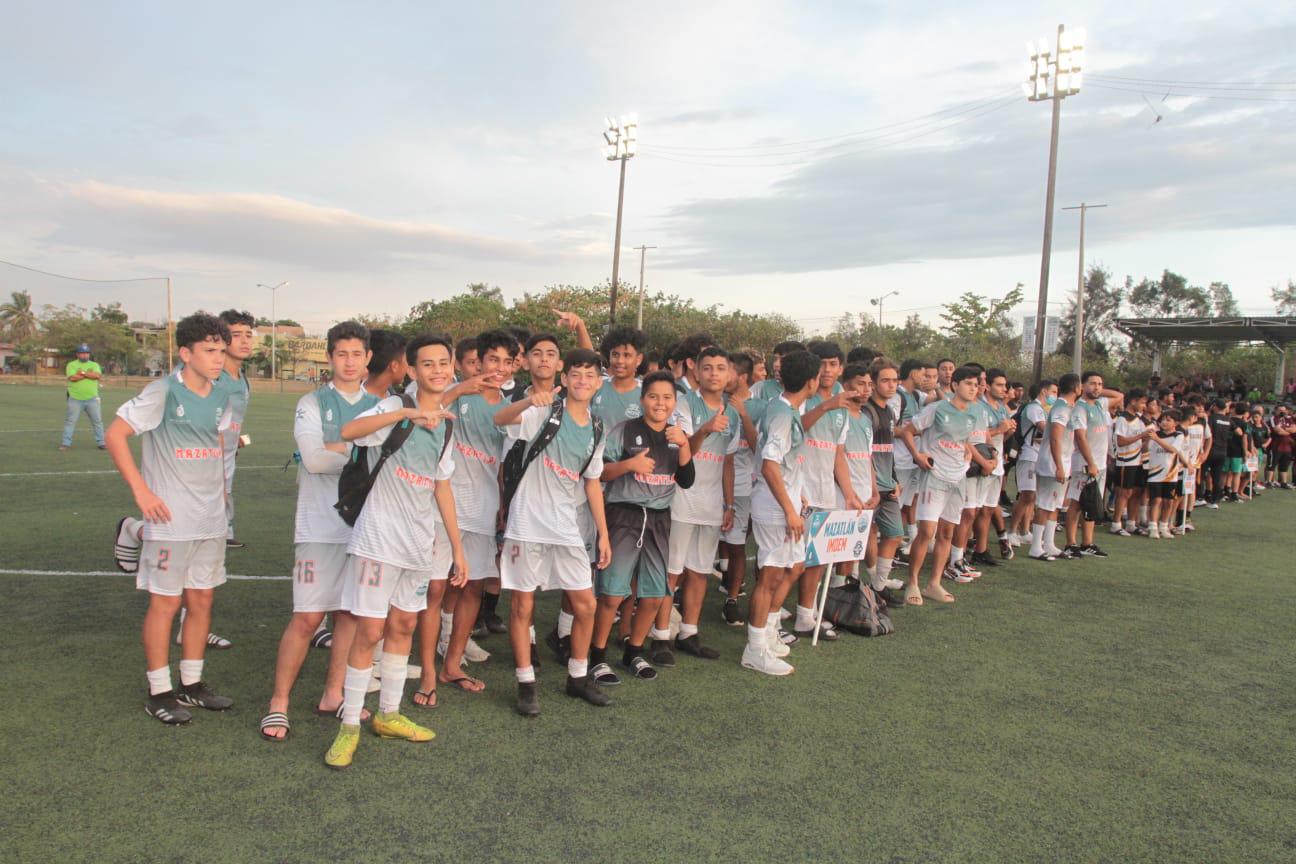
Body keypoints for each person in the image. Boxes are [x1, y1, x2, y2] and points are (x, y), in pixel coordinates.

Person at [324, 333, 468, 769]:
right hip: (378, 537)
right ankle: (349, 725)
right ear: (412, 369)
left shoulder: (446, 422)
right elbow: (348, 431)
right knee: (369, 631)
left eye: (444, 363)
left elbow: (440, 486)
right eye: (428, 364)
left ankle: (388, 713)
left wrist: (457, 549)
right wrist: (406, 411)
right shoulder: (392, 408)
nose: (438, 371)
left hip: (417, 541)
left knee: (404, 623)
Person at [104, 313, 234, 725]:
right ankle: (159, 691)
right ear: (185, 353)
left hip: (210, 518)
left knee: (201, 599)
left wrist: (222, 496)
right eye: (209, 351)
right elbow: (115, 434)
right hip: (170, 519)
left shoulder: (221, 394)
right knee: (165, 603)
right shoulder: (162, 392)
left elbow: (216, 441)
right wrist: (142, 491)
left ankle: (192, 685)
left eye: (221, 350)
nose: (218, 358)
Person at [259, 321, 378, 742]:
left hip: (363, 528)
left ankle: (334, 694)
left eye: (356, 354)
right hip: (317, 525)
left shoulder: (381, 405)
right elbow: (312, 459)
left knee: (348, 615)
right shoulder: (312, 402)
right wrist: (360, 454)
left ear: (368, 359)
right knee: (308, 618)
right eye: (340, 354)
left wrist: (339, 449)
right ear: (329, 358)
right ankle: (278, 704)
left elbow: (381, 462)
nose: (348, 362)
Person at [494, 348, 611, 716]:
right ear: (564, 379)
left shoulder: (596, 426)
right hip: (526, 522)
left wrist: (603, 534)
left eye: (589, 375)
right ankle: (526, 682)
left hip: (566, 524)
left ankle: (577, 677)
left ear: (597, 383)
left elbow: (592, 483)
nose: (581, 381)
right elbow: (500, 418)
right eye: (575, 374)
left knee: (586, 605)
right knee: (522, 604)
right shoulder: (544, 410)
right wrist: (528, 400)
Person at [589, 370, 695, 685]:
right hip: (624, 515)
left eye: (666, 398)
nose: (660, 403)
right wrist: (629, 465)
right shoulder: (624, 431)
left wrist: (686, 446)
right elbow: (600, 474)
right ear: (642, 399)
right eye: (653, 396)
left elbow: (687, 481)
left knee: (654, 595)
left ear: (675, 402)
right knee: (612, 592)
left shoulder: (678, 437)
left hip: (660, 519)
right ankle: (597, 656)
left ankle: (634, 651)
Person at [436, 329, 520, 695]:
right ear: (479, 360)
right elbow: (426, 413)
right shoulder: (457, 394)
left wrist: (502, 503)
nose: (498, 368)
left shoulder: (511, 405)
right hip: (444, 505)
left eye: (506, 362)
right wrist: (456, 391)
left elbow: (503, 462)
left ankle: (451, 664)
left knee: (472, 587)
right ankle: (427, 665)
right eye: (492, 360)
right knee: (434, 586)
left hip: (484, 508)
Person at [743, 349, 819, 675]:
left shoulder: (785, 409)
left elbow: (786, 463)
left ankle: (769, 631)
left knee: (794, 566)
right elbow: (770, 465)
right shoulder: (782, 414)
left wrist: (797, 496)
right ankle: (755, 649)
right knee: (771, 573)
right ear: (812, 381)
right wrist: (789, 509)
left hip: (786, 501)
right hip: (774, 506)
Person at [666, 346, 742, 659]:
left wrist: (729, 504)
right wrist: (705, 429)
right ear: (696, 371)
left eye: (720, 368)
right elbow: (682, 452)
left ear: (729, 374)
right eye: (707, 367)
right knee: (671, 572)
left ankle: (689, 632)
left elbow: (727, 462)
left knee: (699, 571)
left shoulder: (733, 412)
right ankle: (659, 635)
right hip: (682, 499)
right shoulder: (684, 403)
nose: (713, 373)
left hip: (712, 504)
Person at [896, 366, 993, 602]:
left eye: (977, 384)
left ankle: (934, 584)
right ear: (956, 385)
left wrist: (969, 453)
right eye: (969, 383)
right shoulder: (937, 409)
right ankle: (913, 584)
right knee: (926, 531)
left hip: (958, 478)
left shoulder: (973, 414)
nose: (974, 388)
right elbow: (907, 432)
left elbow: (964, 441)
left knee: (947, 532)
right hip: (934, 476)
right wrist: (918, 456)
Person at [795, 341, 860, 639]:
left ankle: (805, 617)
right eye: (822, 363)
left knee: (816, 558)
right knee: (789, 560)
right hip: (796, 490)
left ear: (840, 369)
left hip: (824, 491)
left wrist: (848, 492)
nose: (827, 370)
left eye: (833, 364)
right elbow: (795, 429)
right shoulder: (802, 398)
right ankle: (766, 621)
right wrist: (825, 407)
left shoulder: (842, 406)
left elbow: (838, 454)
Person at [860, 358, 907, 606]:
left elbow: (887, 450)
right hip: (869, 488)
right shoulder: (866, 411)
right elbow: (863, 452)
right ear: (874, 383)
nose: (891, 385)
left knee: (895, 534)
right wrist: (872, 484)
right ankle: (852, 587)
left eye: (894, 380)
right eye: (885, 380)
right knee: (862, 536)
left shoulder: (889, 411)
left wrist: (895, 479)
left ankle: (877, 587)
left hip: (888, 485)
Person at [719, 351, 759, 625]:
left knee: (736, 547)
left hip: (743, 486)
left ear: (742, 377)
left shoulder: (760, 407)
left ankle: (732, 599)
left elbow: (759, 448)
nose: (720, 376)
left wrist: (744, 416)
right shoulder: (715, 401)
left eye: (727, 371)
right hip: (711, 484)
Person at [1028, 373, 1081, 561]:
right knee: (1045, 504)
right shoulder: (1060, 408)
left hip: (1062, 461)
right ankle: (1036, 546)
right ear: (1076, 388)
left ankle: (1049, 544)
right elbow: (1056, 437)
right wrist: (1058, 465)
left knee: (1055, 505)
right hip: (1052, 462)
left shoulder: (1068, 407)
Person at [1061, 371, 1114, 558]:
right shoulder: (1080, 408)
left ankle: (1087, 543)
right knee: (1076, 503)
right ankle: (1070, 543)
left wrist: (1098, 390)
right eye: (1092, 383)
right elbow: (1080, 437)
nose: (1097, 387)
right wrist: (1090, 462)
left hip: (1100, 465)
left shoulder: (1100, 405)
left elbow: (1119, 396)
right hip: (1084, 464)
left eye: (1100, 383)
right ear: (1082, 386)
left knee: (1093, 502)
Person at [215, 310, 256, 548]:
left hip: (228, 449)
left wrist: (236, 436)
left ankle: (224, 531)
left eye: (248, 335)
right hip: (207, 450)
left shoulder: (241, 376)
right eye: (237, 334)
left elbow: (232, 415)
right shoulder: (214, 375)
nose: (244, 341)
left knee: (225, 491)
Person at [1110, 388, 1149, 536]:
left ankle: (1131, 523)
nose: (1143, 406)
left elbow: (1141, 443)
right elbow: (1120, 441)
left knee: (1135, 492)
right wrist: (1141, 436)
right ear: (1133, 401)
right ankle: (1116, 524)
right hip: (1125, 461)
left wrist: (1147, 439)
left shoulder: (1139, 420)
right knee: (1124, 492)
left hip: (1138, 461)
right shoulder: (1122, 419)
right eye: (1142, 403)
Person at [1144, 410, 1186, 539]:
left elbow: (1173, 450)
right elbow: (1145, 449)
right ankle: (1152, 527)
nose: (1164, 422)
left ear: (1176, 423)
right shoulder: (1155, 434)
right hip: (1155, 473)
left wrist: (1157, 439)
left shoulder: (1178, 435)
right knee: (1156, 500)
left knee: (1168, 501)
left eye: (1168, 420)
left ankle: (1163, 526)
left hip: (1170, 474)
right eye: (1163, 419)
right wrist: (1146, 439)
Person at [60, 343, 106, 451]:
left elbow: (97, 376)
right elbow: (72, 378)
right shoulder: (71, 365)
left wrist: (83, 373)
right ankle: (66, 443)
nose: (85, 355)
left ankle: (102, 442)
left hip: (92, 399)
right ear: (77, 354)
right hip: (75, 399)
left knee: (97, 421)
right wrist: (88, 375)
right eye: (82, 353)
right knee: (70, 421)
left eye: (86, 353)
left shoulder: (94, 365)